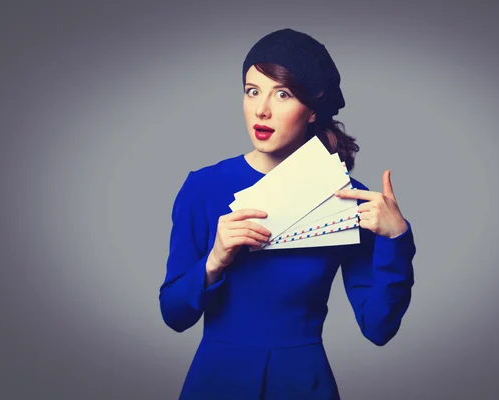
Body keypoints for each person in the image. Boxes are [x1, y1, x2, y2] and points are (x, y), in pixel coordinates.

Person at [159, 28, 416, 400]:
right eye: (252, 91)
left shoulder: (350, 198)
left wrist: (396, 241)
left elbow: (379, 327)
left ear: (312, 109)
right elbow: (174, 315)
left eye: (282, 94)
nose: (262, 109)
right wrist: (214, 260)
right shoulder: (202, 187)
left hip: (302, 384)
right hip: (216, 383)